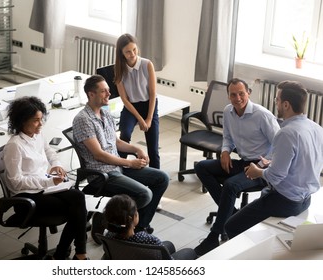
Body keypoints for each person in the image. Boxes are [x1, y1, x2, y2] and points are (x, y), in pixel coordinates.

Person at [193, 78, 281, 256]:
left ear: (248, 93)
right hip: (242, 162)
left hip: (261, 166)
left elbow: (280, 145)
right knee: (202, 167)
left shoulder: (262, 115)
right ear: (228, 96)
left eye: (241, 93)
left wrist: (263, 165)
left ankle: (214, 236)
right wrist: (225, 151)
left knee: (231, 185)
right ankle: (233, 216)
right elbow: (227, 137)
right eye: (233, 94)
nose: (238, 98)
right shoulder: (228, 111)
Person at [225, 80, 323, 238]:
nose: (275, 103)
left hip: (286, 202)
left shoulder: (286, 133)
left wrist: (257, 171)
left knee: (231, 226)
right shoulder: (316, 128)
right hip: (306, 199)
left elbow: (275, 177)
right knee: (259, 202)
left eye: (277, 100)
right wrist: (273, 162)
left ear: (286, 105)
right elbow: (304, 162)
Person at [72, 74, 169, 233]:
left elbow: (116, 142)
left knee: (161, 178)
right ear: (91, 94)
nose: (109, 94)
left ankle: (139, 227)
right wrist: (130, 163)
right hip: (102, 174)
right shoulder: (83, 119)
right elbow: (99, 155)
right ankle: (111, 221)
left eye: (108, 90)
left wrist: (137, 149)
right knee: (144, 195)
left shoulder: (105, 113)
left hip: (117, 167)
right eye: (104, 91)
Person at [3, 96, 88, 260]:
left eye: (41, 119)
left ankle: (73, 253)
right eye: (36, 121)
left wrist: (57, 165)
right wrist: (49, 181)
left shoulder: (37, 136)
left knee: (78, 197)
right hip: (27, 196)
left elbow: (50, 152)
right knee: (77, 211)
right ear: (22, 121)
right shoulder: (14, 145)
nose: (40, 124)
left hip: (44, 187)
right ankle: (72, 254)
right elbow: (15, 181)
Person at [114, 33, 160, 169]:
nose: (132, 54)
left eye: (134, 49)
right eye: (128, 52)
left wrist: (149, 119)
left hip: (149, 105)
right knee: (125, 135)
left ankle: (157, 177)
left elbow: (153, 94)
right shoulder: (119, 69)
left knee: (153, 147)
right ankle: (118, 168)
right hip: (131, 107)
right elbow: (124, 99)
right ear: (122, 53)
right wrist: (140, 119)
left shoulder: (147, 65)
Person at [103, 194, 197, 260]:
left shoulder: (109, 236)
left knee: (169, 245)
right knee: (190, 252)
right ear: (133, 218)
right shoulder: (149, 240)